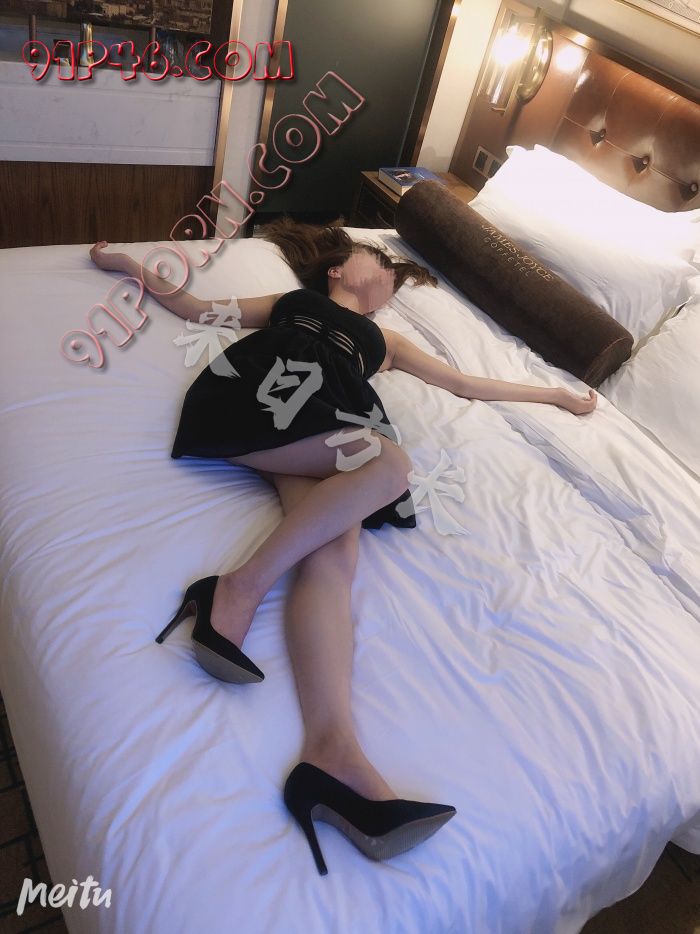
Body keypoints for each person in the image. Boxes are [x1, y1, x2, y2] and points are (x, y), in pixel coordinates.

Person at [88, 218, 596, 876]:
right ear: (337, 269)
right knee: (389, 465)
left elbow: (466, 384)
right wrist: (124, 262)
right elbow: (196, 307)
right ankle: (237, 588)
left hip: (327, 431)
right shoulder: (293, 302)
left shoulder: (387, 341)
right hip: (261, 400)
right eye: (375, 261)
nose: (387, 276)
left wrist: (556, 395)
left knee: (335, 557)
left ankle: (332, 754)